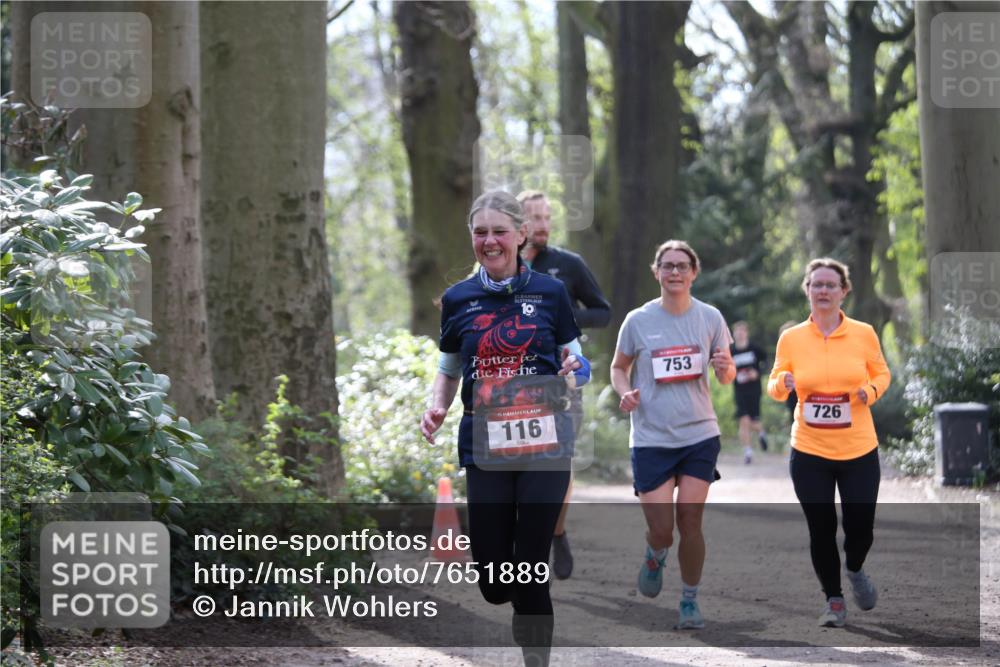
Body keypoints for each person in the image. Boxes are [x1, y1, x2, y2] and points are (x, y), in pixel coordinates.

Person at [421, 190, 590, 666]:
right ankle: (518, 601)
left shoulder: (551, 293)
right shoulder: (457, 299)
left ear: (520, 235)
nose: (490, 241)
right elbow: (449, 368)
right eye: (480, 232)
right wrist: (436, 406)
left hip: (545, 443)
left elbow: (580, 364)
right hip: (486, 445)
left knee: (531, 565)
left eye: (499, 231)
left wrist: (574, 367)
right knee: (495, 584)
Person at [610, 240, 734, 630]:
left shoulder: (711, 317)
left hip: (699, 433)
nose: (675, 272)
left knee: (690, 521)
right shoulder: (638, 320)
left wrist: (724, 367)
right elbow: (618, 366)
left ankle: (689, 600)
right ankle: (654, 553)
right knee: (663, 530)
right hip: (650, 437)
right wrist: (623, 391)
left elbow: (726, 373)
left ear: (694, 272)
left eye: (682, 266)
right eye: (668, 266)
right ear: (657, 272)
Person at [766, 258, 890, 628]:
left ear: (843, 292)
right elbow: (773, 383)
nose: (823, 291)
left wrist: (870, 390)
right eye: (816, 284)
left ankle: (854, 568)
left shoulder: (864, 333)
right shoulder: (791, 338)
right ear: (807, 289)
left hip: (859, 449)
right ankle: (833, 600)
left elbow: (882, 373)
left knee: (861, 527)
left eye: (830, 285)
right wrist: (782, 382)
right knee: (821, 527)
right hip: (809, 449)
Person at [517, 189, 611, 581]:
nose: (543, 225)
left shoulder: (568, 265)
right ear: (518, 224)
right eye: (534, 217)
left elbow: (602, 312)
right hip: (514, 381)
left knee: (559, 463)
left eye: (546, 217)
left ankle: (556, 532)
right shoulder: (501, 266)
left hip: (563, 378)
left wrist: (562, 313)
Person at [730, 321, 768, 464]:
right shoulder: (731, 351)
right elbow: (726, 369)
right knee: (743, 420)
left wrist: (757, 373)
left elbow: (767, 362)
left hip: (754, 390)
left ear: (746, 333)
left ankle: (761, 432)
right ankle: (748, 452)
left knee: (753, 421)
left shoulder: (755, 349)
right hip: (739, 390)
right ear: (733, 334)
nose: (740, 333)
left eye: (742, 331)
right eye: (737, 331)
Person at [777, 320, 799, 424]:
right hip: (791, 391)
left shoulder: (806, 350)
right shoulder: (782, 355)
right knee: (794, 417)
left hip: (807, 391)